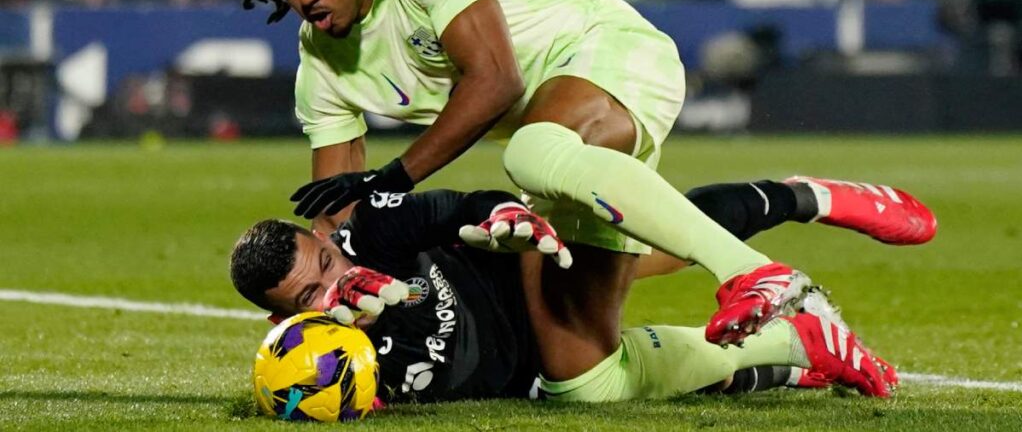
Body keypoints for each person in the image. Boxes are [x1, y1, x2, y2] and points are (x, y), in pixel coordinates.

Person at [229, 0, 933, 398]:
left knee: (534, 153)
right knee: (580, 378)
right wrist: (332, 305)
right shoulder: (320, 66)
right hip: (563, 151)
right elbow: (337, 225)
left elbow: (495, 81)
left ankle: (756, 275)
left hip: (614, 55)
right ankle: (797, 323)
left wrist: (397, 179)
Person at [231, 176, 930, 404]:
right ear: (280, 318)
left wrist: (499, 217)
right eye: (309, 297)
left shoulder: (372, 232)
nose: (334, 285)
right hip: (525, 374)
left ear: (324, 240)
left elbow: (456, 207)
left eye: (323, 263)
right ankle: (797, 351)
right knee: (599, 386)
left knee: (662, 244)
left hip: (532, 274)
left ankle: (809, 195)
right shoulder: (314, 362)